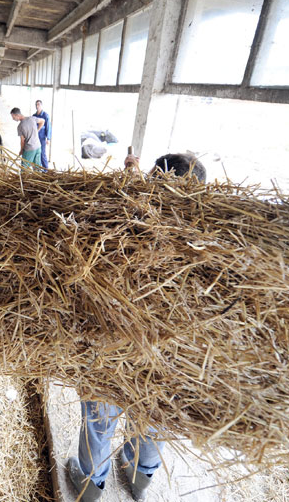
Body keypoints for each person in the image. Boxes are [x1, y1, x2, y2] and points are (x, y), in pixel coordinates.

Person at [67, 151, 206, 502]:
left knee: (101, 413)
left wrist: (130, 178)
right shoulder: (209, 239)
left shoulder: (122, 224)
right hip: (171, 352)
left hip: (114, 344)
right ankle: (140, 477)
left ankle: (90, 484)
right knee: (155, 411)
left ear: (154, 182)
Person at [33, 100, 51, 168]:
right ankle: (38, 169)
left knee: (42, 153)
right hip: (35, 137)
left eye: (39, 104)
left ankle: (46, 170)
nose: (37, 106)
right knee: (36, 153)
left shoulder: (45, 115)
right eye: (36, 104)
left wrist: (48, 138)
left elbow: (48, 127)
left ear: (41, 105)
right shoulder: (34, 116)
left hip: (42, 137)